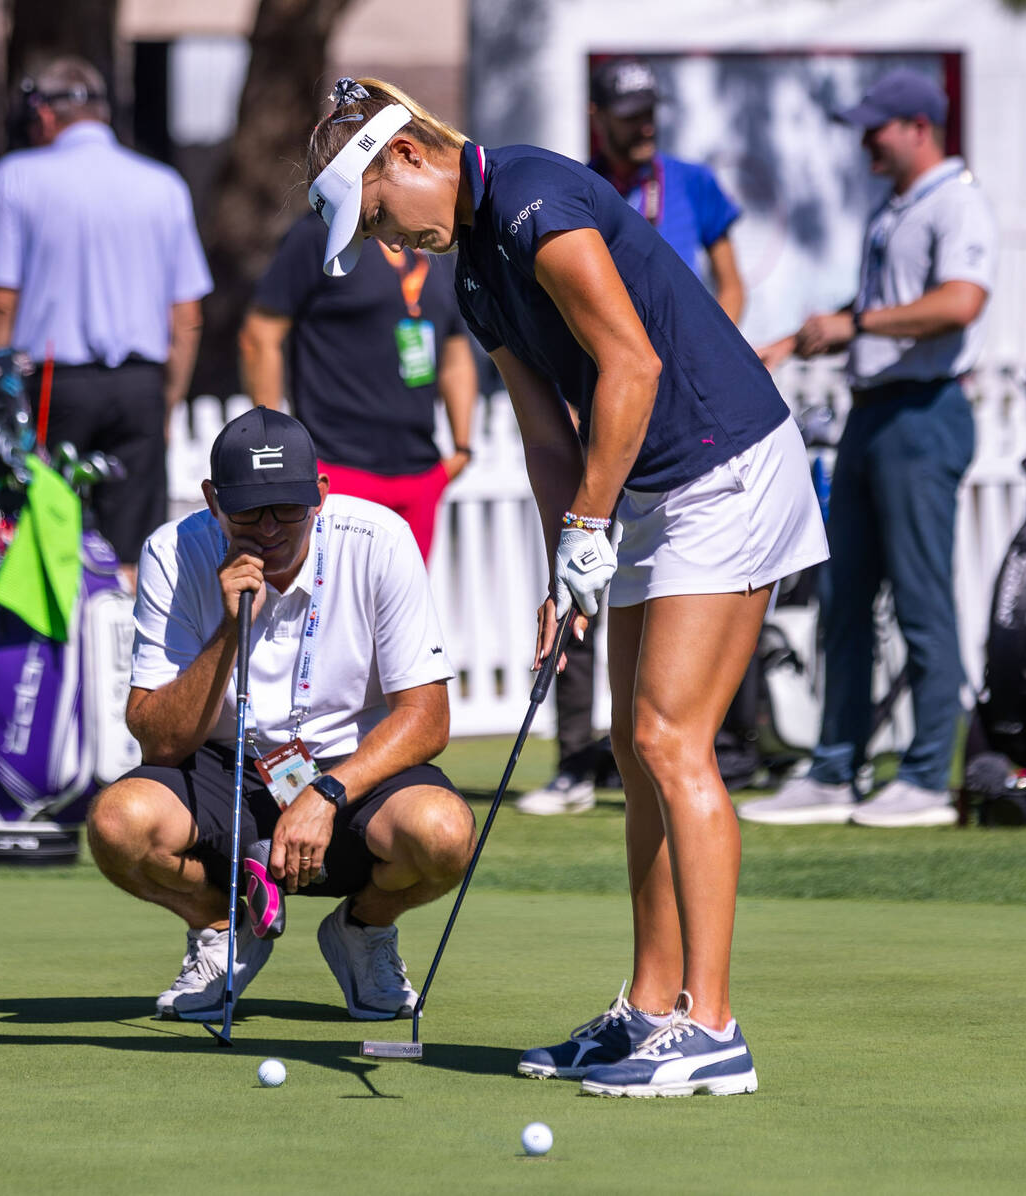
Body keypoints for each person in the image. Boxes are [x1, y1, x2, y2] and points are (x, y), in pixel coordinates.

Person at [304, 76, 826, 1097]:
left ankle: (711, 1024)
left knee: (675, 740)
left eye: (377, 218)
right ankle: (648, 1004)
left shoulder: (534, 198)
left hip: (724, 463)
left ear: (407, 157)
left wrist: (592, 526)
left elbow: (628, 365)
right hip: (647, 483)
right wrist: (564, 567)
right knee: (635, 748)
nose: (391, 245)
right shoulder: (474, 281)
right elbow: (549, 436)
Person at [85, 406, 476, 1022]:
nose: (269, 528)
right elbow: (157, 740)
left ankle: (364, 928)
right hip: (221, 766)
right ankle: (222, 927)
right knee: (117, 825)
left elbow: (427, 718)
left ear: (320, 495)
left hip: (352, 770)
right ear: (213, 499)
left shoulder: (379, 539)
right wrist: (228, 632)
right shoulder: (172, 551)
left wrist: (323, 794)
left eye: (288, 508)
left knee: (445, 835)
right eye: (247, 510)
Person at [741, 68, 997, 829]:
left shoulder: (958, 201)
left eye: (876, 127)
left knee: (921, 601)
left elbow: (960, 301)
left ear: (919, 125)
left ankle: (924, 777)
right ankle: (833, 769)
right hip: (873, 415)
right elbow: (883, 306)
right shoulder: (899, 207)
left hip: (924, 413)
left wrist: (858, 327)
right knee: (845, 601)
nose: (864, 142)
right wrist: (799, 337)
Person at [516, 56, 750, 817]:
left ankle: (730, 745)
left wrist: (711, 358)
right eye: (627, 112)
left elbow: (728, 280)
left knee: (692, 595)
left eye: (650, 109)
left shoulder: (692, 184)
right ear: (598, 116)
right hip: (609, 414)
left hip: (681, 413)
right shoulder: (572, 190)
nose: (642, 124)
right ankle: (577, 757)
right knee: (581, 573)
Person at [0, 56, 211, 580]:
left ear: (42, 114)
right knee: (135, 555)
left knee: (42, 539)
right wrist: (167, 398)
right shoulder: (163, 183)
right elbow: (187, 315)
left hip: (54, 385)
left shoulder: (15, 178)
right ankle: (124, 657)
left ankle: (58, 660)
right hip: (138, 384)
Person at [239, 211, 478, 561]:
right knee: (333, 609)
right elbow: (260, 336)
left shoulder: (432, 242)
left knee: (399, 613)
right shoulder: (320, 235)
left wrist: (461, 450)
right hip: (336, 471)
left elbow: (455, 350)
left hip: (420, 475)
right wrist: (279, 450)